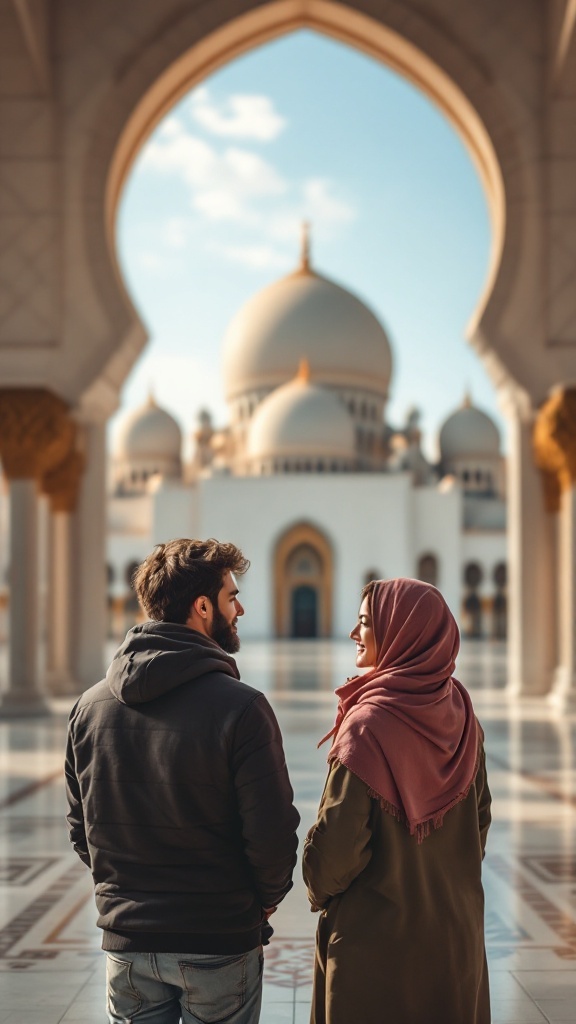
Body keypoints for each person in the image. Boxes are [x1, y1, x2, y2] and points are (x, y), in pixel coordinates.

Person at [65, 538, 300, 1024]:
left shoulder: (88, 709)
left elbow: (81, 828)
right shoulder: (242, 708)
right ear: (202, 606)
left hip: (128, 945)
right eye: (231, 596)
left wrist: (127, 894)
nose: (240, 608)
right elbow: (272, 834)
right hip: (217, 941)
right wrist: (263, 902)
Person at [302, 577, 491, 1024]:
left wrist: (314, 882)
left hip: (376, 955)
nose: (354, 633)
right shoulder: (464, 717)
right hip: (455, 944)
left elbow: (335, 854)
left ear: (400, 633)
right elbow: (479, 826)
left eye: (366, 622)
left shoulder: (368, 726)